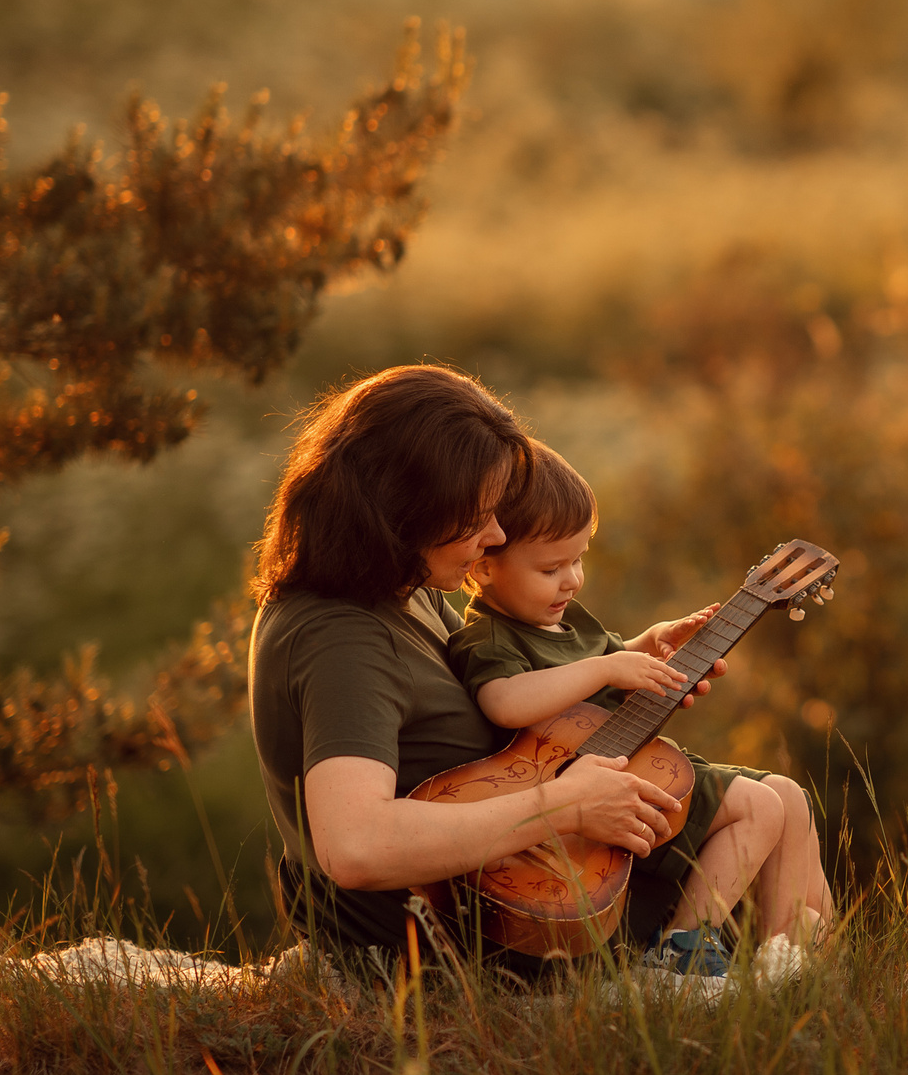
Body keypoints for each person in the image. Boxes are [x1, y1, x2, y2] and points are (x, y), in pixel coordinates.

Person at [247, 364, 707, 977]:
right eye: (476, 516)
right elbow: (355, 846)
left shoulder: (404, 587)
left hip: (512, 893)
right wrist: (564, 806)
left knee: (768, 812)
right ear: (405, 510)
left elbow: (510, 695)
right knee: (753, 818)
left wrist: (628, 659)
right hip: (448, 948)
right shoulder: (342, 641)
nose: (495, 536)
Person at [453, 442, 832, 974]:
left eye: (579, 559)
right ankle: (682, 950)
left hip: (631, 761)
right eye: (550, 568)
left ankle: (787, 953)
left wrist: (646, 645)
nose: (571, 579)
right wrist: (608, 670)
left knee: (788, 793)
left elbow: (597, 670)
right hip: (581, 801)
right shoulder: (487, 637)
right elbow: (505, 702)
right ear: (484, 567)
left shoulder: (565, 619)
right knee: (761, 806)